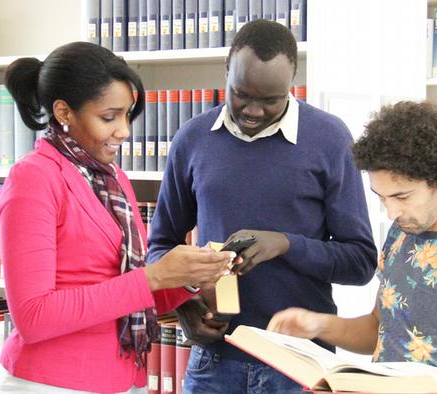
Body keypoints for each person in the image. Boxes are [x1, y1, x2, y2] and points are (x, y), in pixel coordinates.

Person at [147, 19, 377, 393]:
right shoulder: (192, 139)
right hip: (214, 363)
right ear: (226, 72)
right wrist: (184, 304)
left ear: (292, 82)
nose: (253, 110)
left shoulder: (330, 139)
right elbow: (159, 246)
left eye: (270, 100)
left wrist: (286, 244)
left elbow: (361, 262)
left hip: (301, 364)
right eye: (241, 94)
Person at [0, 41, 234, 394]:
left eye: (127, 115)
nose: (123, 130)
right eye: (109, 117)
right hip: (50, 382)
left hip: (122, 378)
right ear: (64, 112)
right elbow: (33, 316)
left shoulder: (112, 179)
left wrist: (188, 279)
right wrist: (153, 277)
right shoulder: (34, 178)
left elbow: (127, 291)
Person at [268, 101, 437, 394]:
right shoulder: (402, 234)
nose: (391, 212)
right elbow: (381, 330)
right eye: (382, 198)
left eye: (402, 196)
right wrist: (317, 325)